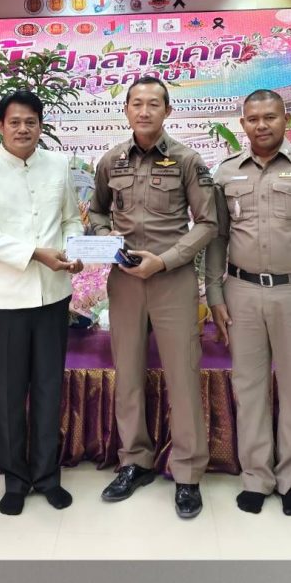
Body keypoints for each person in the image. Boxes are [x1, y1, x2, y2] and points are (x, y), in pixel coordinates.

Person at [205, 90, 291, 517]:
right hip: (241, 293)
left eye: (270, 117)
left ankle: (290, 478)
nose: (261, 125)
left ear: (286, 119)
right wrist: (214, 294)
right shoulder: (226, 172)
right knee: (249, 389)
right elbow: (217, 237)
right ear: (242, 123)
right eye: (253, 118)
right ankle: (256, 477)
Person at [88, 76, 217, 519]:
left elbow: (207, 222)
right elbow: (98, 210)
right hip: (124, 281)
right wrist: (106, 238)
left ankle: (188, 472)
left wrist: (164, 261)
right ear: (125, 110)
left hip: (171, 279)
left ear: (167, 110)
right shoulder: (111, 161)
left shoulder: (186, 160)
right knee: (127, 375)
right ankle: (135, 461)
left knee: (182, 375)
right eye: (136, 104)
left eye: (153, 104)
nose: (144, 111)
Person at [0, 91, 84, 515]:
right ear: (0, 126)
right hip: (6, 299)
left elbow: (70, 219)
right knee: (10, 392)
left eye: (31, 121)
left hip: (53, 294)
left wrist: (74, 249)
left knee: (50, 388)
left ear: (40, 125)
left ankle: (47, 476)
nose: (23, 129)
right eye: (14, 122)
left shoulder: (58, 164)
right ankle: (15, 480)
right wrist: (35, 253)